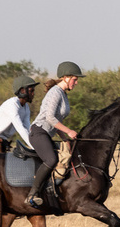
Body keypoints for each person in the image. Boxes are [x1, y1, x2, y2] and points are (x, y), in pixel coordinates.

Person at [26, 61, 84, 208]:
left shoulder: (63, 94)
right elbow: (50, 118)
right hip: (38, 132)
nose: (76, 82)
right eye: (75, 79)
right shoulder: (55, 92)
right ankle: (32, 194)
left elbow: (56, 121)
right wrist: (68, 131)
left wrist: (65, 139)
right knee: (51, 159)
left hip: (46, 133)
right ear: (65, 77)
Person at [0, 75, 38, 153]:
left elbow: (28, 129)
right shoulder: (12, 104)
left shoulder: (26, 107)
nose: (33, 94)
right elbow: (20, 128)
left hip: (3, 140)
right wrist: (36, 148)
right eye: (31, 91)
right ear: (22, 91)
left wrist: (38, 144)